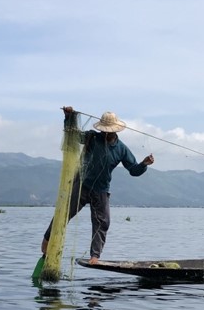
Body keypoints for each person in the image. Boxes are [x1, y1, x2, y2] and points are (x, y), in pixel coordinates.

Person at [42, 106, 154, 265]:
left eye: (108, 131)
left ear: (115, 131)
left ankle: (95, 256)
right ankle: (47, 239)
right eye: (104, 130)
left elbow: (133, 170)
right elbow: (73, 135)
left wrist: (144, 163)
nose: (105, 133)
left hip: (101, 190)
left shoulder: (121, 149)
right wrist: (69, 118)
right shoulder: (92, 137)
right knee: (63, 215)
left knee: (103, 222)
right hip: (81, 185)